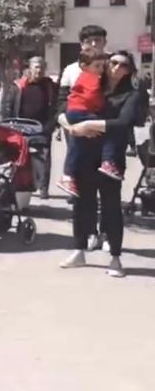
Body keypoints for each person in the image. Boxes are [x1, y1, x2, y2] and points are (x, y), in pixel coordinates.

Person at [59, 50, 143, 277]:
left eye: (123, 65)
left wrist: (89, 126)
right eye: (113, 63)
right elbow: (65, 107)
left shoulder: (132, 94)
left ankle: (115, 258)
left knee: (111, 207)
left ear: (129, 70)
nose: (116, 68)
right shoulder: (94, 84)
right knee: (82, 204)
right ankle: (79, 250)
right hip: (86, 153)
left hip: (111, 159)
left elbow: (124, 122)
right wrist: (70, 126)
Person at [60, 48, 124, 196]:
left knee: (77, 145)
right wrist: (101, 105)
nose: (101, 70)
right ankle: (108, 161)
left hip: (74, 112)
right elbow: (91, 97)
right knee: (108, 130)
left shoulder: (84, 76)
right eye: (97, 66)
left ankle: (68, 175)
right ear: (84, 65)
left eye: (102, 66)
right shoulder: (91, 78)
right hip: (81, 112)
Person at [56, 25, 108, 191]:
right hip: (76, 120)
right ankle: (72, 187)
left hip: (102, 124)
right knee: (77, 157)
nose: (93, 44)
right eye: (88, 41)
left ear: (104, 42)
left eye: (97, 40)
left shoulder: (112, 67)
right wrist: (70, 126)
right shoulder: (70, 70)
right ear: (81, 45)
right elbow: (61, 101)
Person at [1, 57, 58, 198]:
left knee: (42, 158)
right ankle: (18, 185)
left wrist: (51, 125)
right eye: (36, 67)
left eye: (42, 68)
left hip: (42, 127)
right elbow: (8, 106)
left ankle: (43, 187)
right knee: (17, 157)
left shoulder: (50, 86)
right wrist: (8, 124)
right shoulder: (18, 86)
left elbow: (56, 107)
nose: (39, 70)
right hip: (20, 127)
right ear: (30, 68)